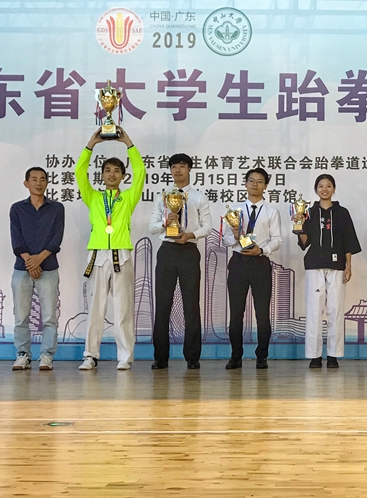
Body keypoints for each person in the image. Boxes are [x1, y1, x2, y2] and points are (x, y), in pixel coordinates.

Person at [75, 127, 146, 371]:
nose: (112, 174)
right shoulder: (93, 197)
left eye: (117, 170)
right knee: (95, 308)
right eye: (107, 170)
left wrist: (128, 142)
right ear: (102, 175)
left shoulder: (127, 198)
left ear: (123, 176)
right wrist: (90, 145)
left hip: (121, 256)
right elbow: (79, 172)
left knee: (123, 308)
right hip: (97, 255)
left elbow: (141, 172)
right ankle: (90, 355)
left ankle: (125, 356)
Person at [149, 153, 212, 370]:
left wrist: (190, 235)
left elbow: (207, 226)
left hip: (189, 251)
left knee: (191, 305)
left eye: (182, 166)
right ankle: (160, 357)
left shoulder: (198, 197)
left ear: (189, 169)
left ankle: (192, 357)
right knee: (162, 305)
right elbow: (152, 227)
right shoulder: (162, 196)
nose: (178, 170)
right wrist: (166, 223)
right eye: (174, 166)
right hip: (167, 251)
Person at [293, 174, 361, 369]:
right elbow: (304, 243)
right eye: (321, 186)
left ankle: (333, 355)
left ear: (334, 189)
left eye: (328, 186)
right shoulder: (308, 212)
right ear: (316, 189)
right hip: (314, 264)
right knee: (314, 311)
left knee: (335, 310)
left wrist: (349, 265)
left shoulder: (342, 213)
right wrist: (299, 225)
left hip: (337, 265)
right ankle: (314, 356)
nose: (324, 189)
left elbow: (348, 240)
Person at [221, 168, 282, 369]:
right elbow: (225, 240)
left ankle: (261, 356)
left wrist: (262, 250)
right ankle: (235, 356)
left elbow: (277, 240)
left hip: (260, 263)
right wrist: (235, 235)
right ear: (245, 184)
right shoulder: (235, 211)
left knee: (262, 314)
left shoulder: (271, 211)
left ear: (265, 186)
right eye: (251, 180)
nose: (255, 184)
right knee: (236, 313)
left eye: (260, 181)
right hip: (238, 263)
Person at [9, 167, 65, 371]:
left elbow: (56, 238)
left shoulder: (57, 208)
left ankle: (47, 356)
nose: (38, 183)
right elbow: (16, 239)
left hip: (48, 268)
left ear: (47, 183)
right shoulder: (17, 208)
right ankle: (22, 354)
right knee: (21, 316)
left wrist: (39, 259)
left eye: (42, 179)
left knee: (49, 317)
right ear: (26, 183)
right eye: (34, 179)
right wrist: (29, 261)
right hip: (22, 269)